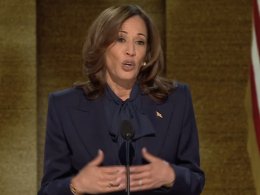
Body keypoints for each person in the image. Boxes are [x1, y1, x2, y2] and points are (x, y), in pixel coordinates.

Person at [38, 4, 205, 195]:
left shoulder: (177, 99)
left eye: (140, 42)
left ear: (147, 54)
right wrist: (77, 185)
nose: (131, 51)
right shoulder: (64, 106)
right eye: (121, 39)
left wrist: (171, 176)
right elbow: (48, 190)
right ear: (101, 46)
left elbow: (195, 180)